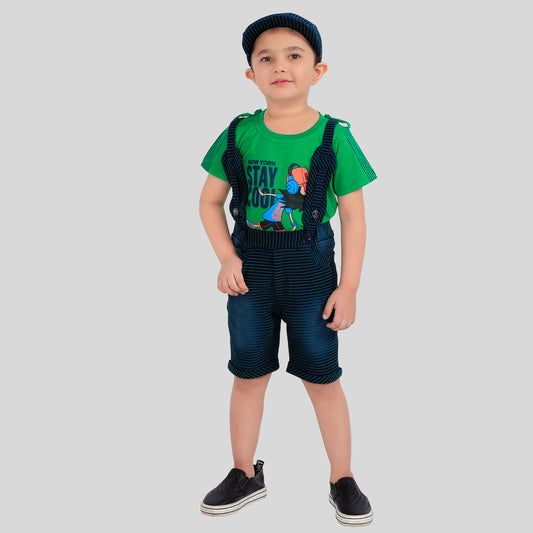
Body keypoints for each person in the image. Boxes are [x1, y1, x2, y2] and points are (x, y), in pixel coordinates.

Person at [198, 13, 377, 527]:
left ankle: (342, 478)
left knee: (322, 377)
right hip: (249, 273)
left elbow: (354, 216)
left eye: (294, 56)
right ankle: (244, 473)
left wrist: (349, 286)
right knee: (248, 373)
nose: (280, 66)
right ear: (250, 74)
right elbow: (209, 202)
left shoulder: (333, 137)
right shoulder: (238, 134)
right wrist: (227, 257)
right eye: (266, 58)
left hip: (312, 273)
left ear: (317, 70)